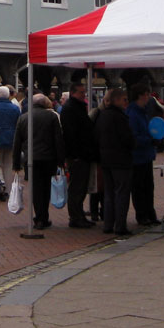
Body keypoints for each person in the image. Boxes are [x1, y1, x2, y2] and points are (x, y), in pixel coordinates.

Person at [12, 93, 66, 231]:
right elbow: (58, 139)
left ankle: (39, 217)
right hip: (49, 158)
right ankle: (43, 216)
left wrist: (16, 163)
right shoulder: (52, 117)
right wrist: (61, 160)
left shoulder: (23, 118)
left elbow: (17, 142)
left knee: (36, 188)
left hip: (31, 159)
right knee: (46, 187)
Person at [94, 87, 134, 238]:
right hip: (121, 160)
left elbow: (96, 137)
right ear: (117, 100)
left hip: (106, 159)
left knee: (109, 193)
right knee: (122, 193)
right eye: (124, 99)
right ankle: (120, 226)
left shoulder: (102, 115)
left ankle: (108, 224)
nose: (126, 103)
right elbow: (127, 138)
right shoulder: (120, 117)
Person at [59, 82, 97, 228]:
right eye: (81, 92)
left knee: (81, 186)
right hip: (78, 154)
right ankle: (75, 216)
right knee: (77, 186)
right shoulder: (70, 109)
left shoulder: (75, 107)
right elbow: (70, 134)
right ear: (74, 92)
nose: (84, 95)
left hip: (82, 153)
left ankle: (79, 214)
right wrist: (75, 154)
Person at [126, 83, 160, 227]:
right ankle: (142, 215)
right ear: (141, 95)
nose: (148, 97)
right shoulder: (133, 113)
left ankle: (150, 214)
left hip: (146, 154)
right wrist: (150, 140)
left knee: (148, 187)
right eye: (147, 94)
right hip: (137, 156)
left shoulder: (143, 111)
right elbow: (134, 137)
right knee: (139, 187)